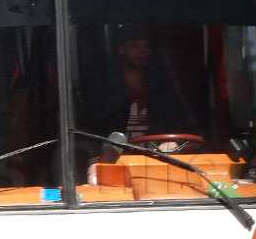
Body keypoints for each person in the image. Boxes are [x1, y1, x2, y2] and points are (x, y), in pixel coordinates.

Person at [80, 25, 198, 184]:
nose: (142, 51)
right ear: (122, 50)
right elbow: (95, 132)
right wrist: (97, 160)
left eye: (146, 46)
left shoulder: (161, 87)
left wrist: (171, 141)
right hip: (117, 161)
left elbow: (174, 123)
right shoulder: (105, 89)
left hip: (155, 162)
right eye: (134, 46)